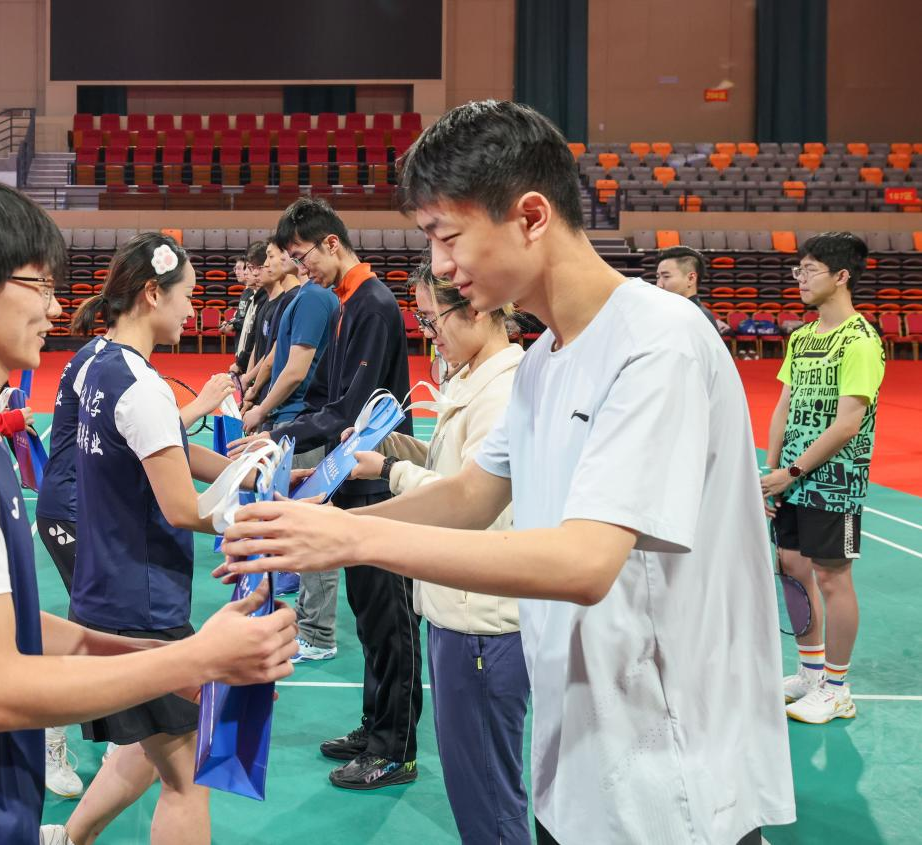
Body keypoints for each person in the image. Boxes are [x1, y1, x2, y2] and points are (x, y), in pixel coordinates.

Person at [222, 101, 796, 843]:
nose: (439, 264)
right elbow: (468, 495)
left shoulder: (658, 342)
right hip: (585, 752)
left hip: (674, 769)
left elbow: (584, 561)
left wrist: (350, 541)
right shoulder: (543, 360)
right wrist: (318, 525)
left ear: (530, 216)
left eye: (446, 235)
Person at [0, 181, 297, 845]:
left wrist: (161, 656)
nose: (56, 307)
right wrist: (191, 660)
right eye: (40, 286)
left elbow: (7, 625)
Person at [57, 232, 255, 844]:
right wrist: (257, 517)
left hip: (104, 587)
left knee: (148, 747)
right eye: (188, 295)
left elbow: (166, 449)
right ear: (152, 293)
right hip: (142, 606)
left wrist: (251, 472)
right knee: (189, 774)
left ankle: (66, 839)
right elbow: (182, 508)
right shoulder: (143, 387)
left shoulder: (98, 363)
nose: (193, 310)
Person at [229, 197, 421, 790]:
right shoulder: (344, 303)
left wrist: (276, 433)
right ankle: (375, 726)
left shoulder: (373, 304)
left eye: (302, 254)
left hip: (379, 479)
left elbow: (350, 411)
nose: (300, 266)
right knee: (368, 613)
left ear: (331, 243)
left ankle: (395, 749)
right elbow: (332, 405)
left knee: (390, 616)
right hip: (350, 476)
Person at [348, 260, 527, 843]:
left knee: (487, 796)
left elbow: (470, 500)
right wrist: (393, 449)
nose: (428, 333)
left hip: (482, 621)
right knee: (475, 788)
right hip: (457, 610)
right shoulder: (473, 378)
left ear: (474, 307)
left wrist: (390, 472)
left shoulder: (501, 392)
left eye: (432, 319)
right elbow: (455, 468)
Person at [763, 232, 885, 725]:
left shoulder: (861, 340)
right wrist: (772, 472)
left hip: (836, 481)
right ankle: (810, 672)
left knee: (834, 578)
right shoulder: (803, 337)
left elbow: (848, 423)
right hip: (790, 480)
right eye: (798, 270)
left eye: (809, 270)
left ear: (841, 276)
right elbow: (784, 406)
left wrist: (791, 471)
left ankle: (836, 688)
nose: (800, 279)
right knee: (792, 568)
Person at [239, 240, 304, 415]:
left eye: (270, 257)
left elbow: (274, 355)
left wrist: (252, 385)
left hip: (282, 400)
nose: (265, 265)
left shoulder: (293, 298)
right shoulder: (271, 301)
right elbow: (260, 346)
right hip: (266, 392)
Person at [654, 245, 720, 329]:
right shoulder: (673, 314)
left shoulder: (699, 317)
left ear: (691, 278)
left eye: (666, 276)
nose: (658, 285)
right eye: (658, 277)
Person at [230, 258, 267, 376]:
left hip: (253, 364)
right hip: (245, 358)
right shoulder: (248, 293)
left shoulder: (263, 299)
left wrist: (241, 363)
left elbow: (255, 336)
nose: (245, 272)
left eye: (249, 268)